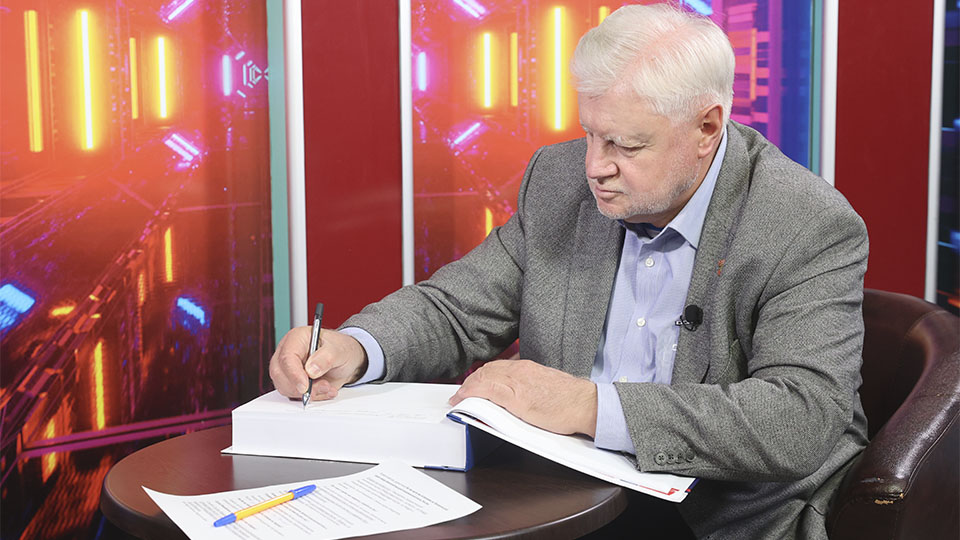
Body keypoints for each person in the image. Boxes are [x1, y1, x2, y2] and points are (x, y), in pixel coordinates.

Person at [269, 4, 869, 538]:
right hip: (563, 496)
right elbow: (456, 309)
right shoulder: (557, 181)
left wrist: (588, 406)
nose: (594, 167)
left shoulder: (804, 222)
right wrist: (356, 347)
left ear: (707, 128)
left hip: (720, 516)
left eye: (626, 146)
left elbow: (800, 415)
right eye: (590, 135)